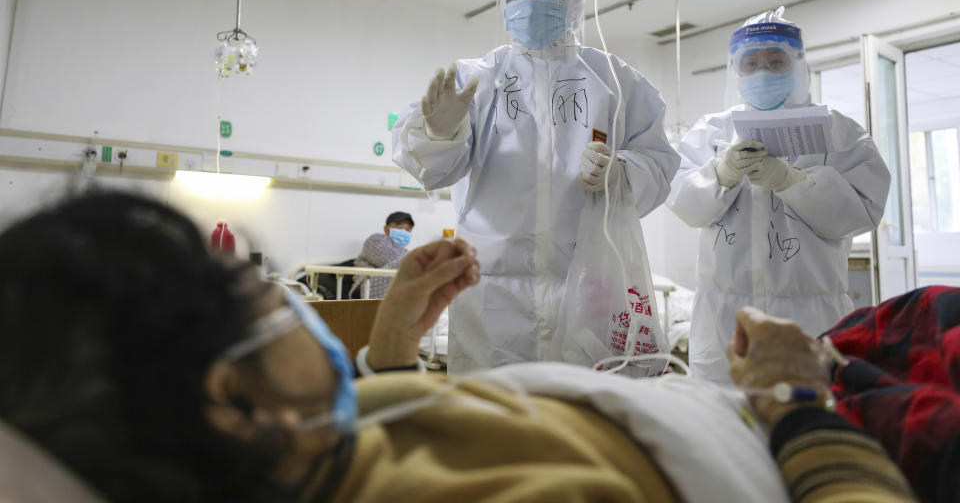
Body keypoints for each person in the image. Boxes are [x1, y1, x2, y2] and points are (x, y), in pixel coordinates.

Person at [0, 191, 917, 502]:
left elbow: (385, 430)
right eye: (261, 302)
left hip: (768, 404)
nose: (291, 309)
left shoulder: (303, 454)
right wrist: (794, 397)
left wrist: (393, 344)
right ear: (232, 403)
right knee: (928, 321)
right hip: (833, 438)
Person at [392, 0, 680, 372]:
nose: (530, 1)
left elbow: (661, 165)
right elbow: (431, 170)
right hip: (493, 295)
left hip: (588, 290)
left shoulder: (617, 83)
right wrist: (439, 133)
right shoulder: (476, 80)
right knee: (495, 423)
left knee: (583, 424)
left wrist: (620, 173)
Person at [666, 6, 891, 383]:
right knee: (726, 424)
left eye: (776, 61)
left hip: (810, 315)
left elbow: (861, 213)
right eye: (751, 63)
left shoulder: (839, 132)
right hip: (725, 320)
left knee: (804, 418)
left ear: (797, 64)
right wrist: (722, 174)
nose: (763, 71)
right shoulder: (714, 132)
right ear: (736, 70)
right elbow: (685, 205)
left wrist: (792, 181)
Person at [349, 211, 414, 299]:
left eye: (408, 229)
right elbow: (391, 261)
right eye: (399, 227)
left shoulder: (404, 251)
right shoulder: (376, 240)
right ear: (386, 229)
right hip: (367, 284)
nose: (404, 231)